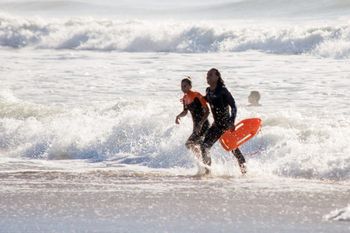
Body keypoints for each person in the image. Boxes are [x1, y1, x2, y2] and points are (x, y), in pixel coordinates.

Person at [200, 68, 247, 175]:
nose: (208, 77)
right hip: (216, 125)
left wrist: (232, 121)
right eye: (207, 75)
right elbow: (205, 99)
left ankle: (244, 170)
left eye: (210, 75)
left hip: (225, 125)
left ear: (217, 77)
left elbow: (234, 106)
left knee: (234, 149)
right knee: (204, 146)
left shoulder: (223, 90)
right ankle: (208, 171)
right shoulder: (208, 91)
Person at [175, 77, 210, 158]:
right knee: (194, 145)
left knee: (191, 144)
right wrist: (178, 116)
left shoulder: (197, 95)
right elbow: (185, 111)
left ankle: (204, 164)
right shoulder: (184, 99)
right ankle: (203, 163)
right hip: (196, 126)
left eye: (185, 86)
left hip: (203, 124)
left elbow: (207, 111)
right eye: (182, 86)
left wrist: (201, 123)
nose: (183, 88)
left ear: (190, 86)